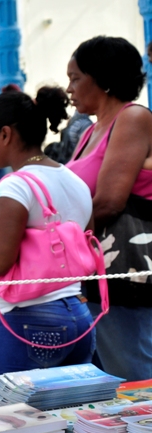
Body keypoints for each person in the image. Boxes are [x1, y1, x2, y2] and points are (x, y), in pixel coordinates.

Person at [0, 87, 95, 376]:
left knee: (14, 417)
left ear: (5, 134)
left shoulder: (15, 185)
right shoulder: (76, 182)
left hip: (29, 319)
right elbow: (87, 244)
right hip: (79, 316)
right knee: (68, 412)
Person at [64, 36, 152, 381]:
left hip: (128, 268)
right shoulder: (91, 130)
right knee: (115, 374)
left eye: (75, 78)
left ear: (102, 77)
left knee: (135, 375)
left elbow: (110, 200)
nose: (69, 88)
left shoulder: (132, 118)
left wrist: (54, 235)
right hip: (99, 268)